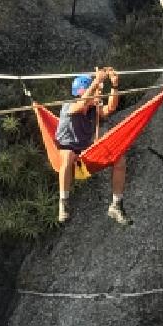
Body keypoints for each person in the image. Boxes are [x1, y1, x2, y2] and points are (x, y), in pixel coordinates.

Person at [55, 67, 131, 225]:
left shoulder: (92, 110)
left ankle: (116, 204)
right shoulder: (68, 106)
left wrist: (115, 86)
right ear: (83, 91)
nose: (99, 93)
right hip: (68, 150)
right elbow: (81, 105)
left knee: (120, 160)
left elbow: (110, 108)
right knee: (68, 155)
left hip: (86, 152)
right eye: (96, 91)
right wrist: (96, 82)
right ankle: (64, 202)